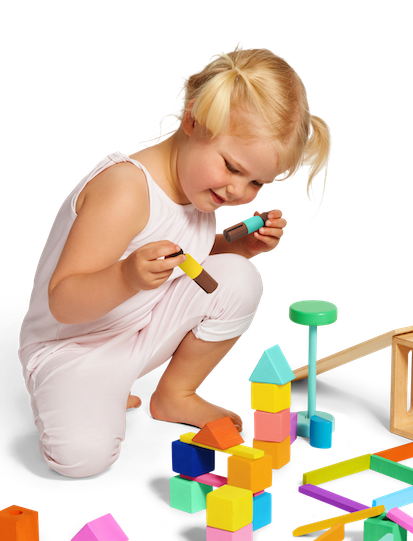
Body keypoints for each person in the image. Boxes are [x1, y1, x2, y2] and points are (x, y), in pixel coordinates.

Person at [17, 42, 334, 478]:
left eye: (257, 183)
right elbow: (64, 302)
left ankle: (174, 394)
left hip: (135, 331)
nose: (238, 192)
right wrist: (127, 275)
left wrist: (238, 247)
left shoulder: (198, 187)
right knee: (81, 459)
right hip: (71, 348)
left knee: (240, 278)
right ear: (191, 121)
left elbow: (186, 258)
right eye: (231, 167)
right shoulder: (126, 190)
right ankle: (81, 392)